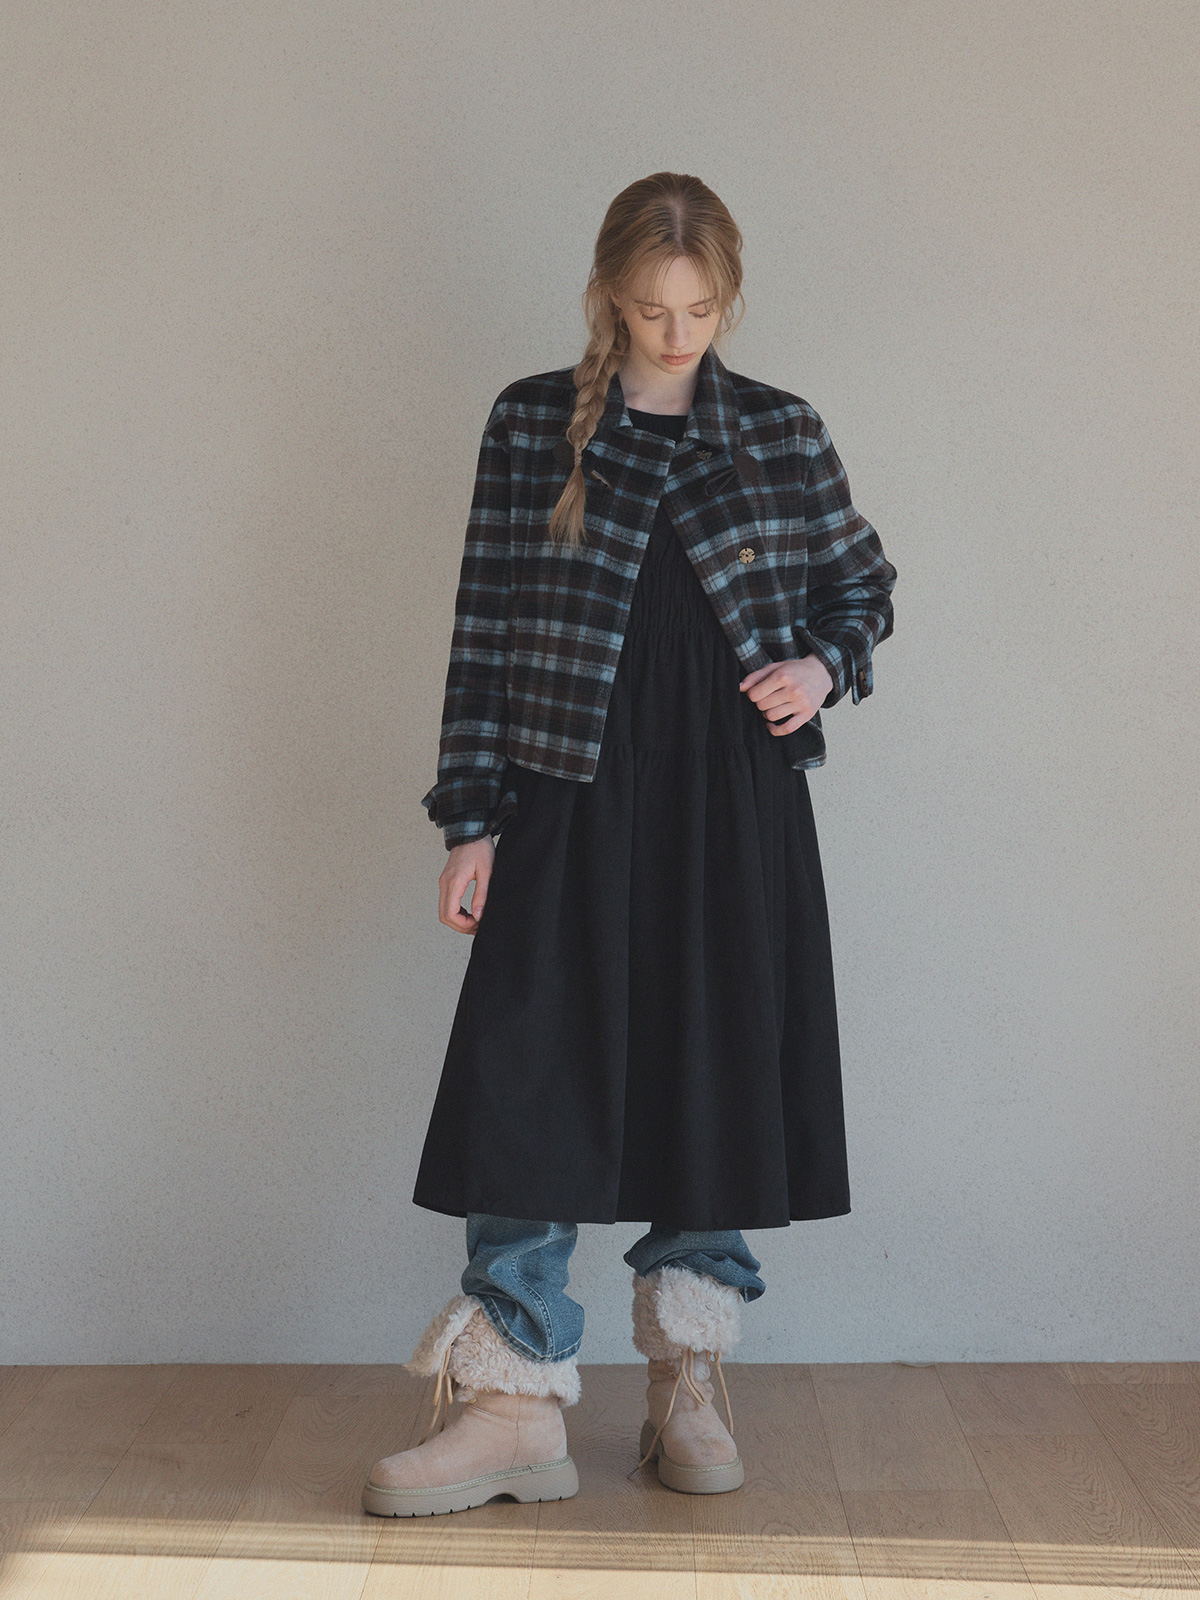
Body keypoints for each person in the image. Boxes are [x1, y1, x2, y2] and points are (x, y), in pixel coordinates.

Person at [362, 172, 897, 1518]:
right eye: (653, 308)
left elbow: (861, 585)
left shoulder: (778, 430)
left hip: (731, 798)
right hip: (565, 789)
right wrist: (470, 817)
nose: (676, 333)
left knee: (710, 1068)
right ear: (608, 295)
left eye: (699, 309)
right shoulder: (535, 422)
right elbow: (484, 624)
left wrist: (820, 669)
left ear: (727, 299)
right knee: (530, 1076)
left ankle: (687, 1380)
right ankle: (512, 1403)